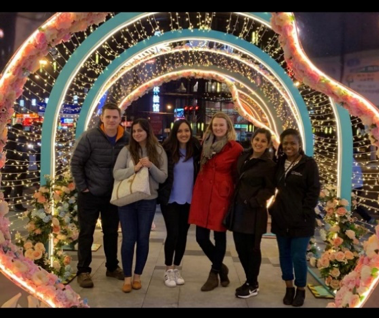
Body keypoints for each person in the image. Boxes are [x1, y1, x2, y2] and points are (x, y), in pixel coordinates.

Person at [70, 102, 129, 288]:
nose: (111, 120)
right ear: (102, 118)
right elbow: (76, 163)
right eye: (108, 117)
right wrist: (83, 187)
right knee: (86, 233)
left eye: (115, 117)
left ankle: (112, 267)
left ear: (120, 119)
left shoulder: (126, 139)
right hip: (90, 194)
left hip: (113, 195)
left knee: (111, 233)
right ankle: (83, 271)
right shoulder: (90, 137)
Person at [188, 112, 243, 292]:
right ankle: (221, 267)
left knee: (219, 235)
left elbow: (239, 174)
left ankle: (214, 273)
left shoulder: (235, 148)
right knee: (201, 237)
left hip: (221, 195)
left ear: (228, 127)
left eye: (221, 125)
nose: (218, 128)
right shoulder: (205, 144)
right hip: (203, 194)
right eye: (215, 125)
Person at [113, 118, 168, 293]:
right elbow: (116, 173)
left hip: (147, 201)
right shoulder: (127, 150)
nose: (137, 133)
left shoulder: (158, 150)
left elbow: (162, 177)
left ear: (147, 131)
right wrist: (134, 168)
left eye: (140, 130)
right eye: (134, 130)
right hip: (127, 200)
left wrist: (151, 166)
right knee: (128, 239)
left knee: (143, 239)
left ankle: (138, 276)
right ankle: (127, 277)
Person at [269, 128, 320, 307]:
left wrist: (304, 212)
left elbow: (313, 191)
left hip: (301, 220)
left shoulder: (308, 164)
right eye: (286, 143)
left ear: (299, 145)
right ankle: (288, 288)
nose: (289, 146)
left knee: (298, 256)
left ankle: (300, 289)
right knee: (284, 255)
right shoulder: (279, 162)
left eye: (292, 143)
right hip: (281, 218)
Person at [228, 128, 276, 298]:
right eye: (257, 139)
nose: (259, 143)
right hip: (239, 209)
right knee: (240, 247)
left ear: (268, 144)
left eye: (263, 141)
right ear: (252, 139)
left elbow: (270, 188)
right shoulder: (244, 156)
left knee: (253, 249)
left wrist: (254, 201)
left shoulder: (269, 164)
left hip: (254, 213)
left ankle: (253, 283)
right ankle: (249, 280)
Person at [158, 119, 201, 287]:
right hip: (170, 200)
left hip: (189, 200)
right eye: (180, 131)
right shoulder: (166, 151)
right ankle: (168, 268)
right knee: (173, 233)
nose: (184, 134)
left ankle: (176, 268)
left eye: (187, 131)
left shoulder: (196, 151)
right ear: (175, 133)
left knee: (183, 235)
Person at [1, 123, 28, 212]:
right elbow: (11, 154)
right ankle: (12, 204)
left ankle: (6, 204)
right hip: (15, 166)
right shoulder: (13, 140)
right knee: (15, 187)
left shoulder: (11, 139)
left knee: (12, 187)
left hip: (13, 166)